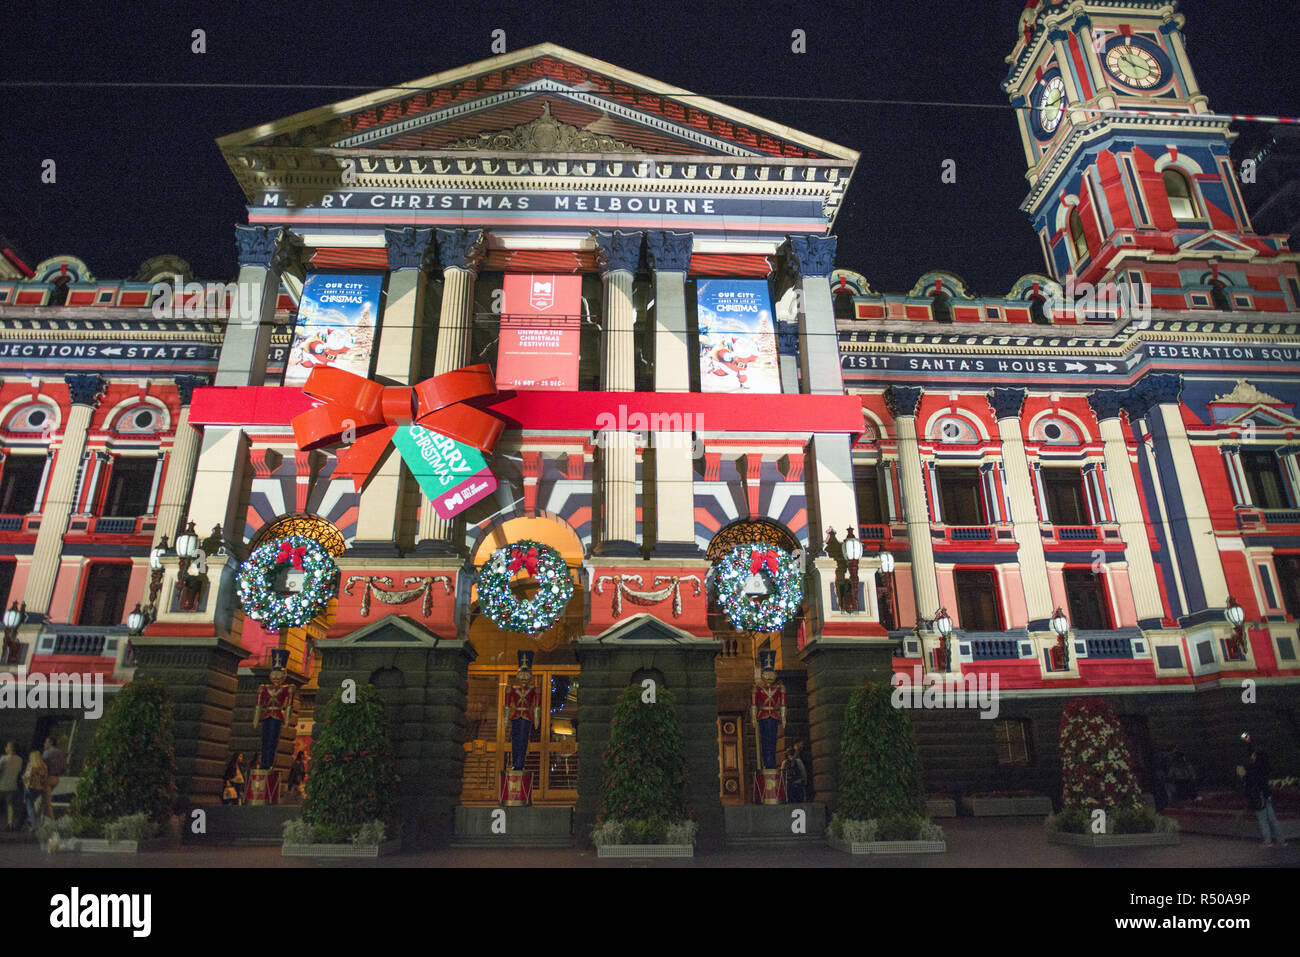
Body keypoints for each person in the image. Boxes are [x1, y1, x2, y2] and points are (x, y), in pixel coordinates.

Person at [1239, 748, 1287, 847]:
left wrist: (1242, 776)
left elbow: (1249, 781)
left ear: (1256, 757)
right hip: (1266, 795)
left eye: (1253, 755)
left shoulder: (1253, 768)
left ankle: (1267, 841)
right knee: (1272, 819)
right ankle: (1281, 840)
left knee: (1262, 819)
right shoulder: (1263, 767)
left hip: (1258, 796)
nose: (1251, 756)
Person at [22, 750, 52, 828]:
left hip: (30, 787)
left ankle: (33, 822)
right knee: (35, 805)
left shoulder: (31, 765)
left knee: (29, 805)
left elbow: (27, 776)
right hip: (39, 789)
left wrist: (23, 778)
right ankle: (32, 821)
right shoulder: (44, 766)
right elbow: (45, 778)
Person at [0, 742, 22, 830]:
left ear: (9, 749)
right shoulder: (20, 759)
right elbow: (19, 770)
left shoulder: (4, 758)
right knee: (10, 806)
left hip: (1, 785)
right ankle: (10, 824)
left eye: (7, 747)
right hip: (12, 786)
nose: (5, 748)